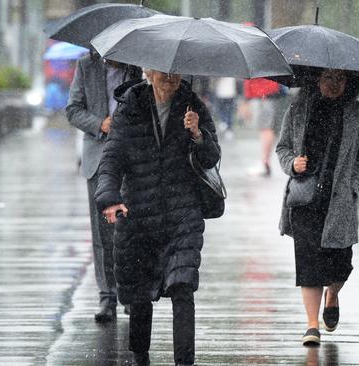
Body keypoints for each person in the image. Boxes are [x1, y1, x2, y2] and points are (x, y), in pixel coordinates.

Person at [94, 69, 220, 366]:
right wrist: (110, 199)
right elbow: (112, 158)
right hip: (138, 213)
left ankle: (185, 362)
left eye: (176, 73)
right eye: (163, 73)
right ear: (148, 72)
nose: (170, 78)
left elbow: (212, 158)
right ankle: (140, 357)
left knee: (182, 285)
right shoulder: (129, 108)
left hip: (182, 213)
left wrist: (198, 134)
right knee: (138, 295)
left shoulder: (194, 106)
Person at [275, 69, 359, 346]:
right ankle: (311, 325)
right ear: (316, 80)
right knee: (308, 262)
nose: (334, 84)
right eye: (328, 78)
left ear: (349, 83)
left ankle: (333, 294)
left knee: (341, 264)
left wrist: (354, 185)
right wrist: (293, 164)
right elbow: (282, 147)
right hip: (305, 199)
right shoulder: (298, 109)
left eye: (340, 79)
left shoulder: (358, 113)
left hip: (339, 200)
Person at [66, 51, 141, 322]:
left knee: (130, 229)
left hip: (131, 158)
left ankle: (130, 293)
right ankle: (107, 296)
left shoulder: (137, 67)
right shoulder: (86, 66)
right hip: (97, 157)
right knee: (102, 233)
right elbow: (72, 109)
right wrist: (100, 124)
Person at [244, 77, 282, 176]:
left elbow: (250, 75)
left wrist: (247, 98)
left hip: (262, 95)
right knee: (267, 129)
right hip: (268, 94)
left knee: (265, 130)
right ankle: (265, 162)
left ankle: (265, 163)